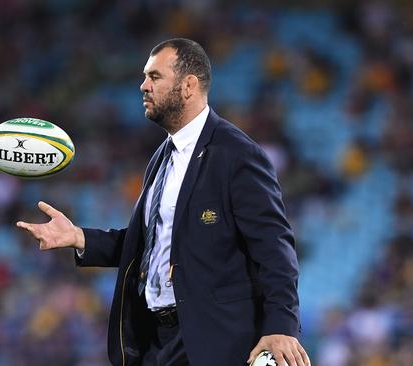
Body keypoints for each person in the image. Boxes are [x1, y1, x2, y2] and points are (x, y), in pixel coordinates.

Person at [16, 38, 310, 366]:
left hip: (211, 342)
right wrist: (79, 238)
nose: (143, 86)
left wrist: (282, 326)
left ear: (188, 86)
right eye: (144, 77)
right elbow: (151, 245)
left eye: (154, 77)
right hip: (157, 341)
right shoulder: (161, 158)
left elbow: (274, 247)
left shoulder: (236, 155)